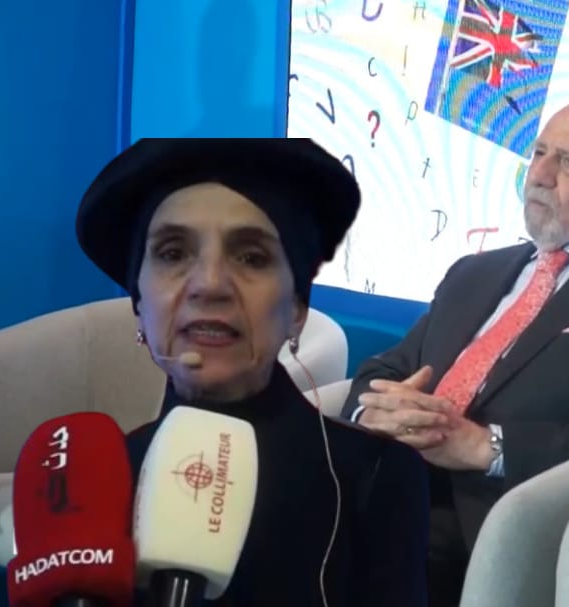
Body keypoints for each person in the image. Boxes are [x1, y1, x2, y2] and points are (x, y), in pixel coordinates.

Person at [341, 98, 569, 605]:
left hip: (495, 517)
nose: (539, 175)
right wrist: (376, 410)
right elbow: (389, 367)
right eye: (538, 153)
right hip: (388, 476)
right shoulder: (474, 272)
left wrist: (487, 447)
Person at [75, 138, 429, 606]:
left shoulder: (375, 475)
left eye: (251, 258)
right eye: (173, 253)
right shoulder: (94, 478)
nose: (209, 285)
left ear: (297, 309)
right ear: (139, 304)